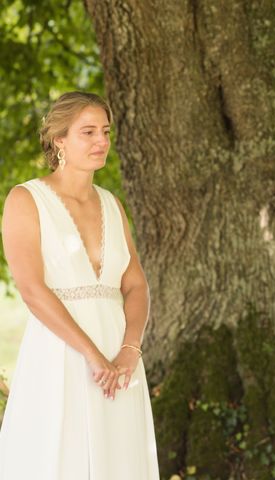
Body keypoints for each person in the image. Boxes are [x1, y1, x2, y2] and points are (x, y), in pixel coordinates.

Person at [0, 92, 159, 479]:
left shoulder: (111, 204)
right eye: (88, 132)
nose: (101, 141)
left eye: (105, 131)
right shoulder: (25, 199)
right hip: (62, 354)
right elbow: (33, 289)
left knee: (119, 460)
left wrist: (129, 350)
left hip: (119, 361)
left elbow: (136, 285)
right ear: (59, 140)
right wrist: (91, 355)